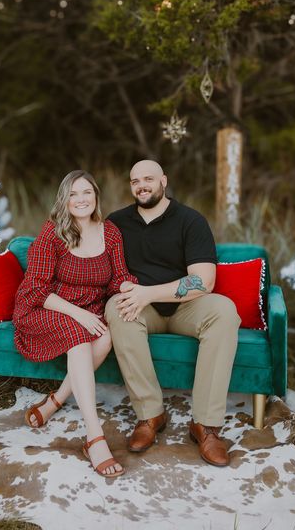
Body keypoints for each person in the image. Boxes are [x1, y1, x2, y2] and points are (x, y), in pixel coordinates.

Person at [105, 160, 241, 467]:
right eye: (135, 180)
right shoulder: (116, 223)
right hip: (143, 310)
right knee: (117, 307)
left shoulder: (190, 220)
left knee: (224, 311)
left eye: (148, 178)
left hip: (185, 307)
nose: (142, 185)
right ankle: (150, 414)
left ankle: (205, 425)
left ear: (163, 180)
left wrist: (148, 292)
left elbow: (203, 282)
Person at [13, 170, 137, 478]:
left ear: (96, 196)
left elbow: (118, 276)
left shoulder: (110, 232)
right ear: (64, 199)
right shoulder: (53, 232)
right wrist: (78, 314)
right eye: (73, 194)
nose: (81, 199)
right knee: (79, 334)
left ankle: (55, 401)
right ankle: (95, 437)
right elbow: (36, 288)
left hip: (87, 309)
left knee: (106, 336)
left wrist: (132, 291)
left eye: (87, 193)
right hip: (44, 307)